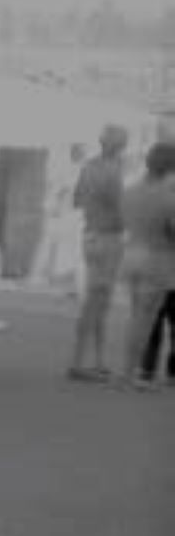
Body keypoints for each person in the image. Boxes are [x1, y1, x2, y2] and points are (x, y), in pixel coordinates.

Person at [67, 125, 129, 380]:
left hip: (90, 233)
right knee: (96, 303)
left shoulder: (89, 166)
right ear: (121, 145)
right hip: (108, 238)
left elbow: (76, 199)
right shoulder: (114, 171)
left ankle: (97, 359)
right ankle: (79, 362)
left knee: (99, 301)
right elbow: (119, 207)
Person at [117, 142, 175, 391]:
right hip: (157, 257)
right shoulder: (168, 197)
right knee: (145, 319)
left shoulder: (129, 191)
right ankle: (129, 375)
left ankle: (128, 371)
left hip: (131, 252)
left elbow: (125, 221)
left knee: (135, 317)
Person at [40, 143, 88, 293]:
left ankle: (71, 282)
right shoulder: (72, 171)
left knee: (69, 250)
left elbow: (56, 192)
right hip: (68, 214)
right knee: (63, 249)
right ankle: (65, 280)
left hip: (73, 214)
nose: (80, 155)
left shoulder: (82, 171)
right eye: (79, 152)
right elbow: (56, 191)